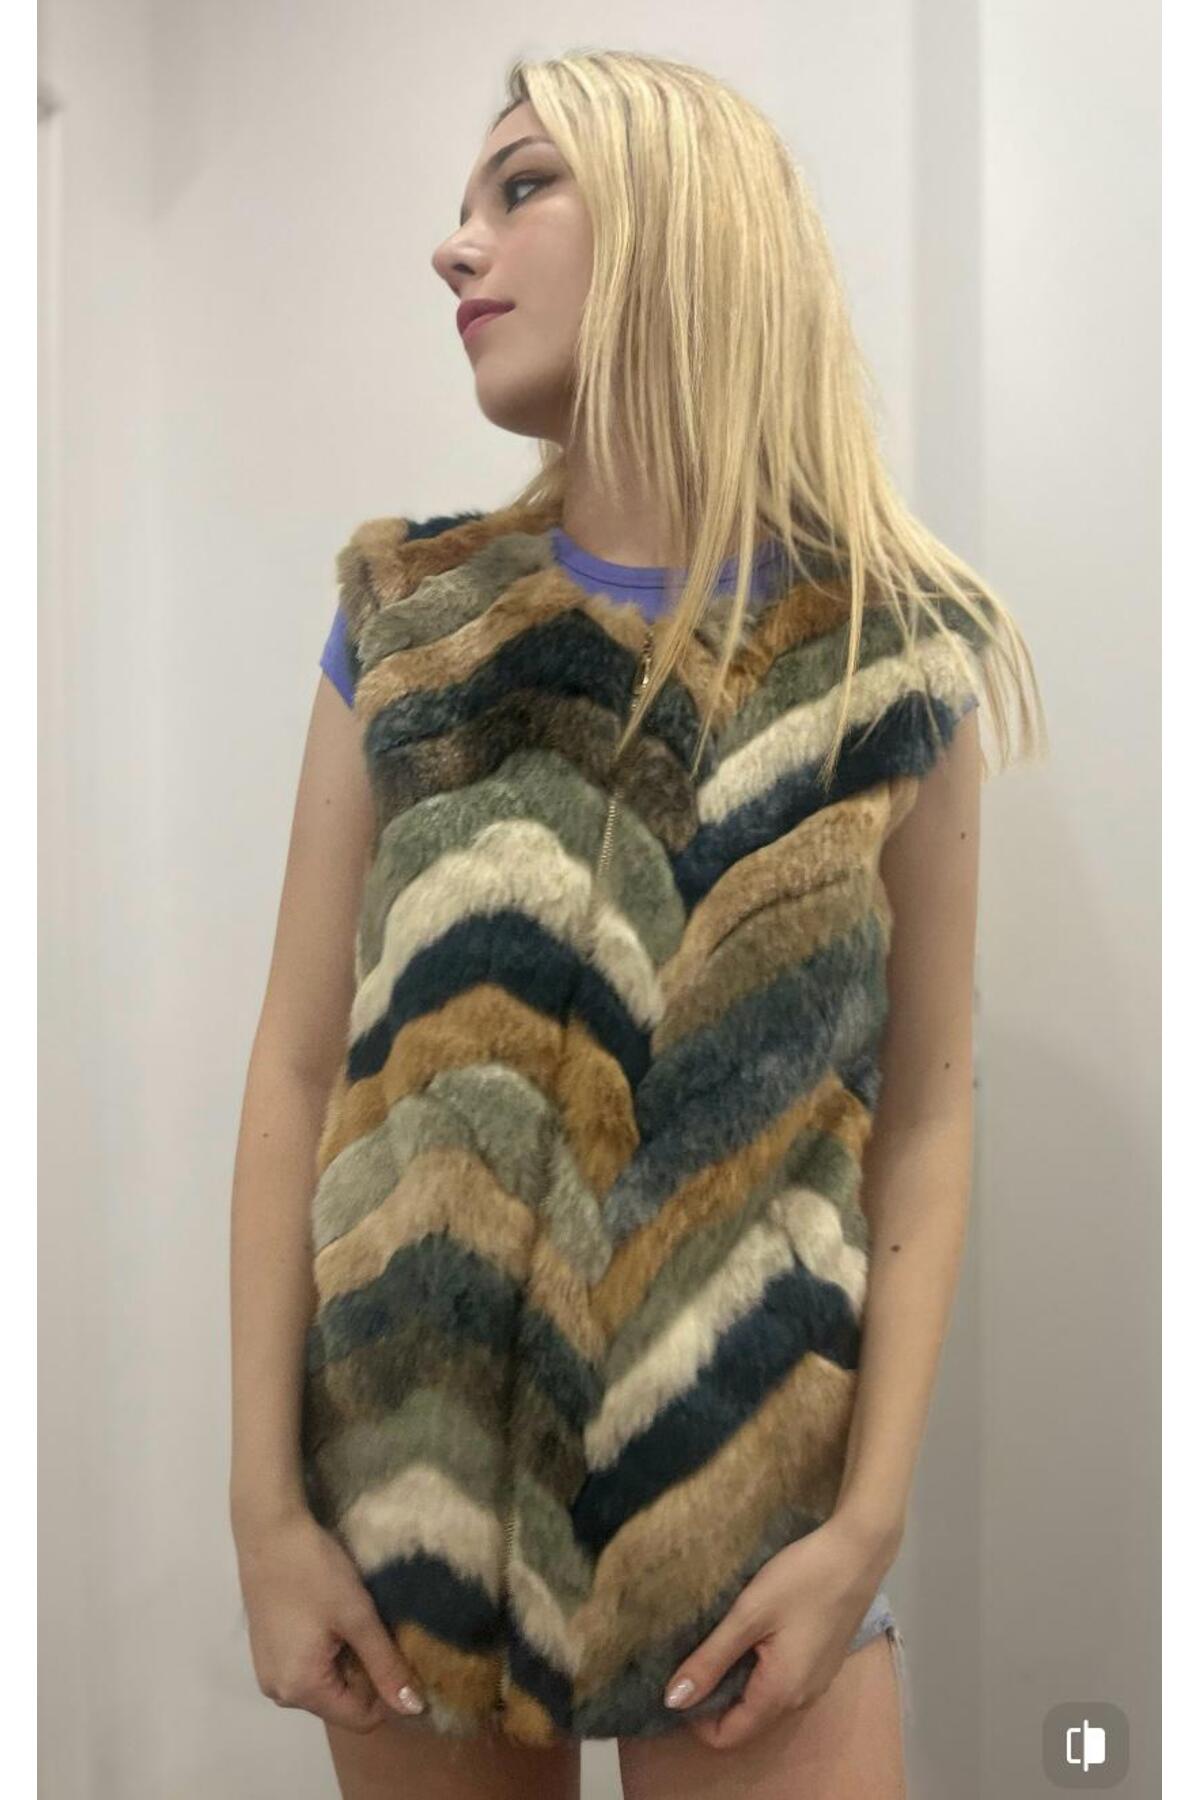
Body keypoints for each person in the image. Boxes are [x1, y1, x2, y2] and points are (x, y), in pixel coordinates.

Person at [229, 49, 1045, 1800]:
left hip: (750, 1526)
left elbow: (926, 1112)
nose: (455, 245)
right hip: (412, 1514)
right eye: (466, 201)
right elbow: (298, 1068)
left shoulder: (888, 658)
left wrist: (865, 1526)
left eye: (522, 185)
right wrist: (268, 1511)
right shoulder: (410, 624)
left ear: (684, 220)